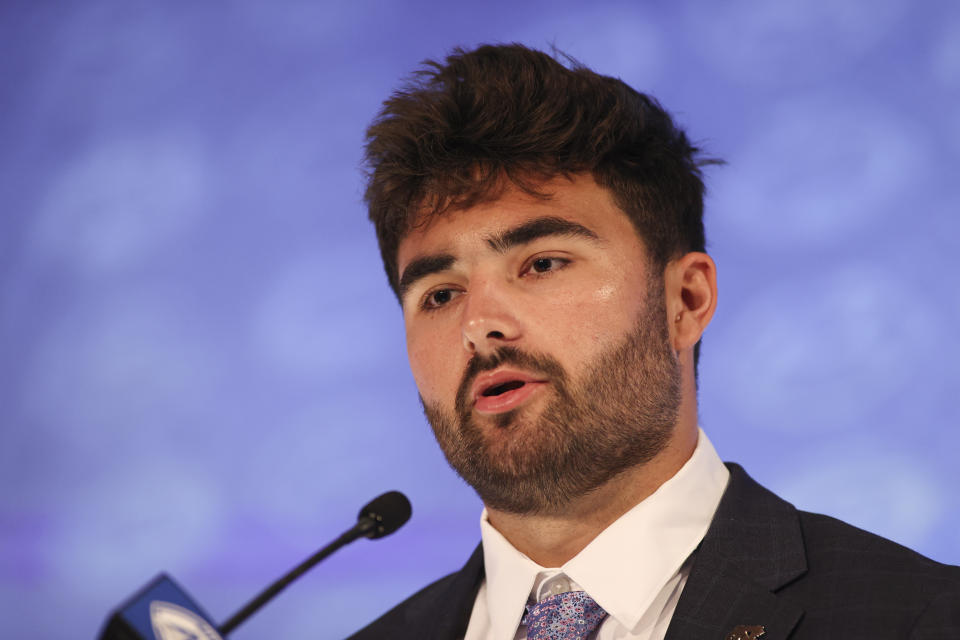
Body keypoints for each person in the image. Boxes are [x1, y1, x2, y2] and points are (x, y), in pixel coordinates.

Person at [347, 44, 960, 640]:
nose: (479, 324)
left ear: (685, 301)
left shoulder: (917, 618)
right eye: (439, 294)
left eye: (542, 264)